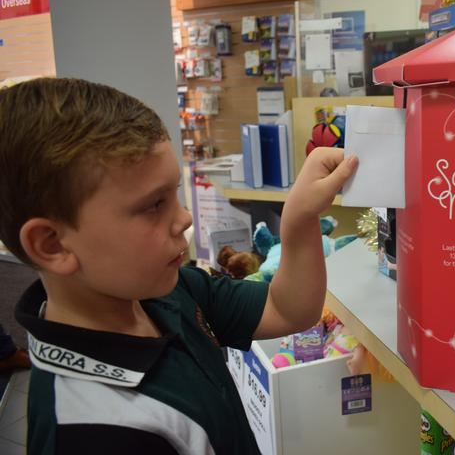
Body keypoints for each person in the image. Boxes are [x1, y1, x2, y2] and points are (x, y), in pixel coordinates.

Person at [0, 78, 358, 454]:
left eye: (174, 193)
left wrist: (299, 217)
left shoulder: (166, 289)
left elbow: (286, 309)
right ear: (52, 245)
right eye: (154, 205)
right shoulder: (91, 433)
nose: (185, 218)